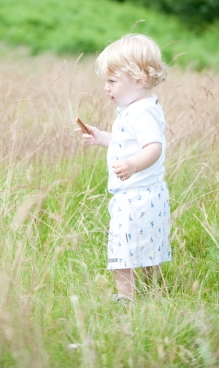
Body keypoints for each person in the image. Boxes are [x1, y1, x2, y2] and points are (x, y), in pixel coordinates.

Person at [76, 34, 171, 303]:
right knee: (148, 246)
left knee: (122, 248)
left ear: (139, 81)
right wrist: (99, 137)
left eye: (112, 81)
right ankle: (153, 291)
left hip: (136, 194)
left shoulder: (141, 113)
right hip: (147, 193)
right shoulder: (138, 107)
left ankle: (126, 298)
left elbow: (154, 147)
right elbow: (124, 142)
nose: (106, 87)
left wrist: (132, 165)